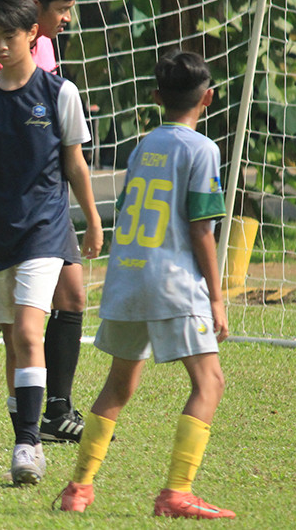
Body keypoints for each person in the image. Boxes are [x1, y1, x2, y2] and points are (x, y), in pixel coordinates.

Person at [58, 52, 235, 519]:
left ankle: (78, 488)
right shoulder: (202, 149)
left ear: (157, 97)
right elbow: (201, 229)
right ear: (208, 98)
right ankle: (177, 492)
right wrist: (217, 298)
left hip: (127, 276)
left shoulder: (143, 147)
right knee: (210, 381)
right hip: (172, 281)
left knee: (119, 384)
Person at [0, 0, 102, 485]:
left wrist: (92, 218)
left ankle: (28, 444)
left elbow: (75, 164)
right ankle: (24, 432)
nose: (0, 46)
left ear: (33, 33)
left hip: (44, 229)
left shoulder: (60, 93)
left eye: (9, 36)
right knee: (13, 340)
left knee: (31, 333)